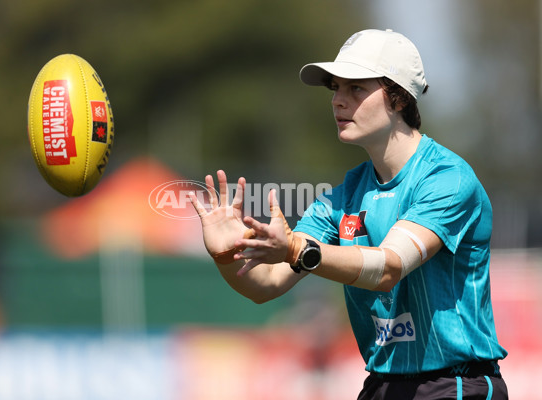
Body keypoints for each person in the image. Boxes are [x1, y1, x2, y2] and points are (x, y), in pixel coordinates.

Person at [188, 28, 508, 399]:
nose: (338, 101)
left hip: (455, 385)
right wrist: (226, 255)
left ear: (399, 97)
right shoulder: (342, 197)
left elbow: (388, 268)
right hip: (382, 386)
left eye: (356, 88)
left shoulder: (447, 179)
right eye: (335, 88)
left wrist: (296, 250)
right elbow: (267, 285)